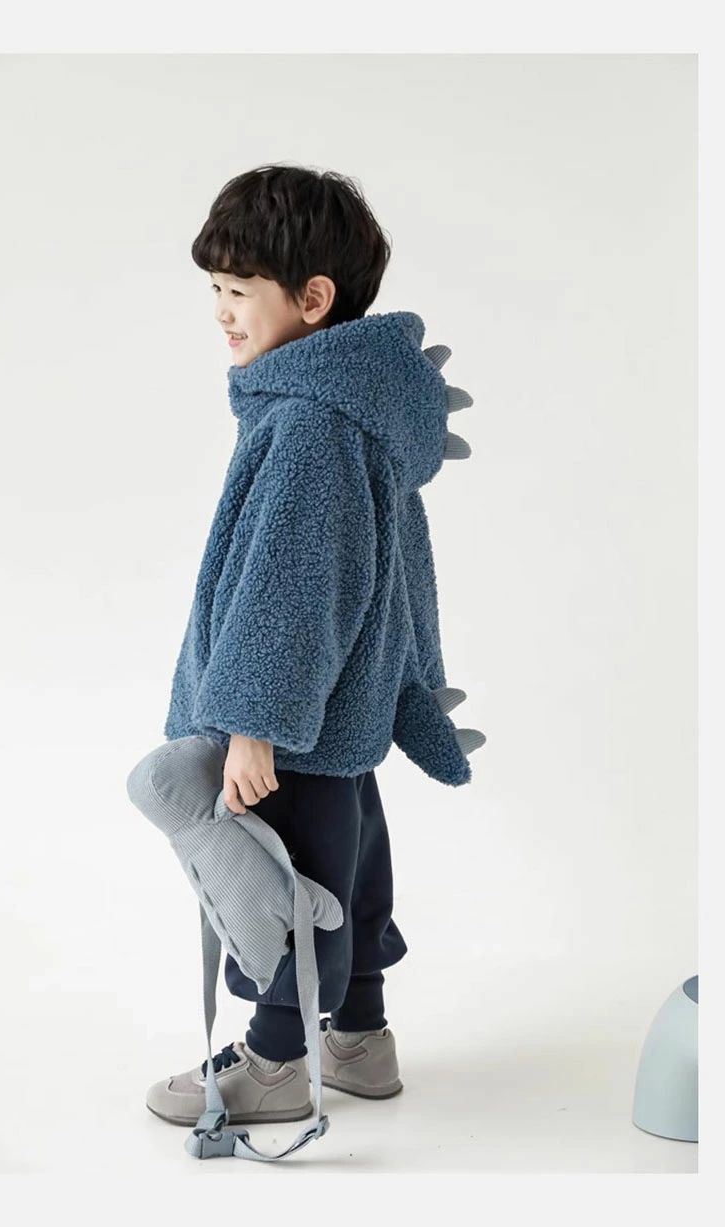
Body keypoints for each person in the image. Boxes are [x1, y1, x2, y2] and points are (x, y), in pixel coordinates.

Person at [142, 163, 478, 1128]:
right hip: (342, 711)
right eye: (215, 288)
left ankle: (279, 1060)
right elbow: (388, 577)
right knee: (351, 859)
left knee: (287, 882)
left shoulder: (310, 425)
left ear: (313, 299)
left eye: (240, 290)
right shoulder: (350, 411)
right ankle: (361, 1038)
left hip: (294, 720)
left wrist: (254, 723)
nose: (221, 311)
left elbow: (294, 588)